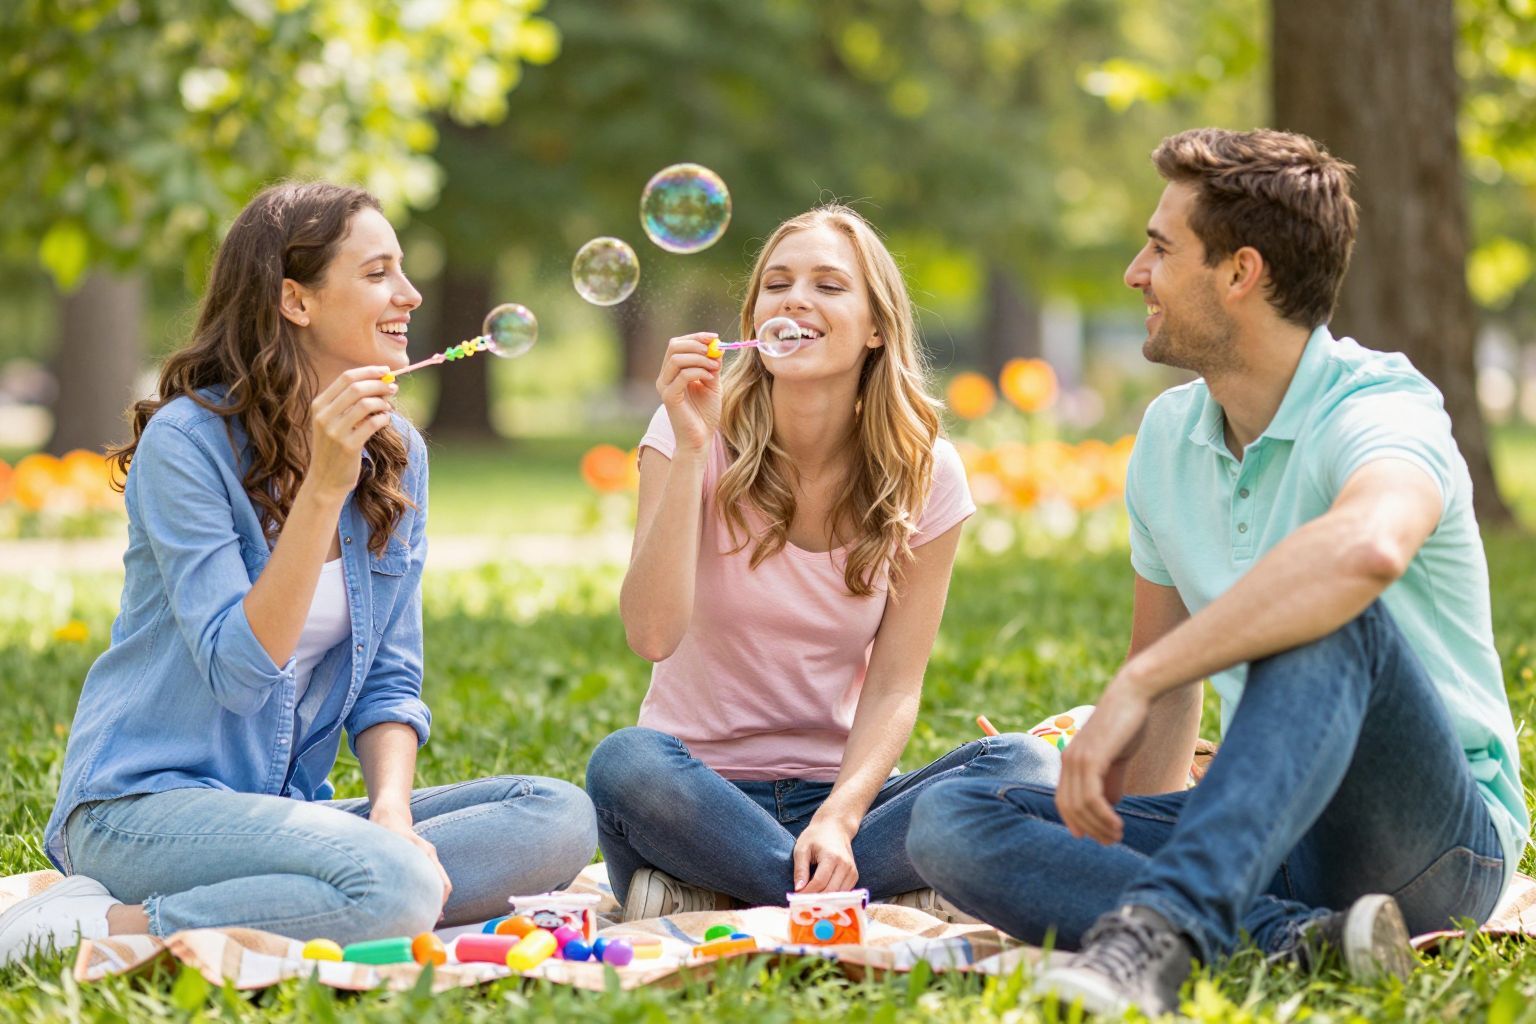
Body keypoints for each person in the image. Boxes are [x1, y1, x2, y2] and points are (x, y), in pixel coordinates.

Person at [907, 128, 1529, 1017]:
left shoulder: (1380, 406)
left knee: (1329, 611)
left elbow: (1367, 549)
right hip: (1268, 833)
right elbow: (1165, 698)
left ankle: (1157, 940)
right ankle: (1291, 938)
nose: (1135, 272)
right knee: (953, 820)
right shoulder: (1168, 438)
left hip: (1432, 844)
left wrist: (1145, 678)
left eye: (1160, 249)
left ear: (1240, 273)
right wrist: (1124, 818)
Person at [0, 182, 596, 965]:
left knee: (557, 815)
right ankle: (92, 926)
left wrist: (391, 815)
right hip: (142, 806)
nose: (410, 294)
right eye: (379, 273)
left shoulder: (398, 453)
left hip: (283, 810)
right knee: (398, 890)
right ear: (295, 300)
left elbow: (389, 679)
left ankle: (353, 888)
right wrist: (324, 484)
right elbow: (240, 673)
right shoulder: (188, 445)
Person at [585, 204, 1045, 920]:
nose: (795, 298)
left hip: (842, 798)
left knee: (1020, 765)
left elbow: (895, 687)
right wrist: (692, 450)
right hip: (697, 792)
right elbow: (650, 636)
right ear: (755, 318)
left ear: (875, 328)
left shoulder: (926, 472)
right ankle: (855, 895)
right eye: (777, 283)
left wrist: (841, 817)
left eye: (829, 285)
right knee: (625, 762)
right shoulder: (689, 433)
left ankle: (735, 889)